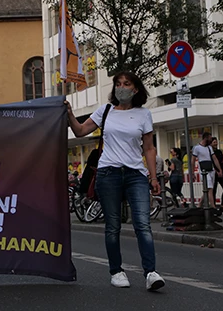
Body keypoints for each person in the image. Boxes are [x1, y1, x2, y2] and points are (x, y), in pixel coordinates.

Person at [65, 72, 165, 291]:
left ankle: (151, 273)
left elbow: (148, 148)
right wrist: (71, 115)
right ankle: (116, 271)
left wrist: (153, 177)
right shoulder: (106, 110)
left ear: (136, 89)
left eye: (126, 84)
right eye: (118, 84)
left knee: (142, 224)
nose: (121, 87)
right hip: (108, 173)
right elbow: (81, 131)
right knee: (112, 226)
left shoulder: (143, 114)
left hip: (135, 175)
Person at [191, 132, 222, 211]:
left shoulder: (209, 148)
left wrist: (219, 169)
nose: (211, 140)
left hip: (211, 169)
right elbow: (193, 160)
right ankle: (212, 206)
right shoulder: (197, 148)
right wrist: (192, 172)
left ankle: (200, 204)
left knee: (208, 189)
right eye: (210, 139)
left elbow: (214, 158)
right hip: (203, 171)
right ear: (206, 138)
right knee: (210, 188)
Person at [211, 137, 223, 213]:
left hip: (221, 172)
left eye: (216, 142)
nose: (216, 143)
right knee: (213, 190)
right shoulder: (210, 152)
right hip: (214, 173)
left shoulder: (219, 152)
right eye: (214, 142)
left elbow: (221, 159)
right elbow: (211, 163)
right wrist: (215, 170)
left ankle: (222, 205)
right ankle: (213, 206)